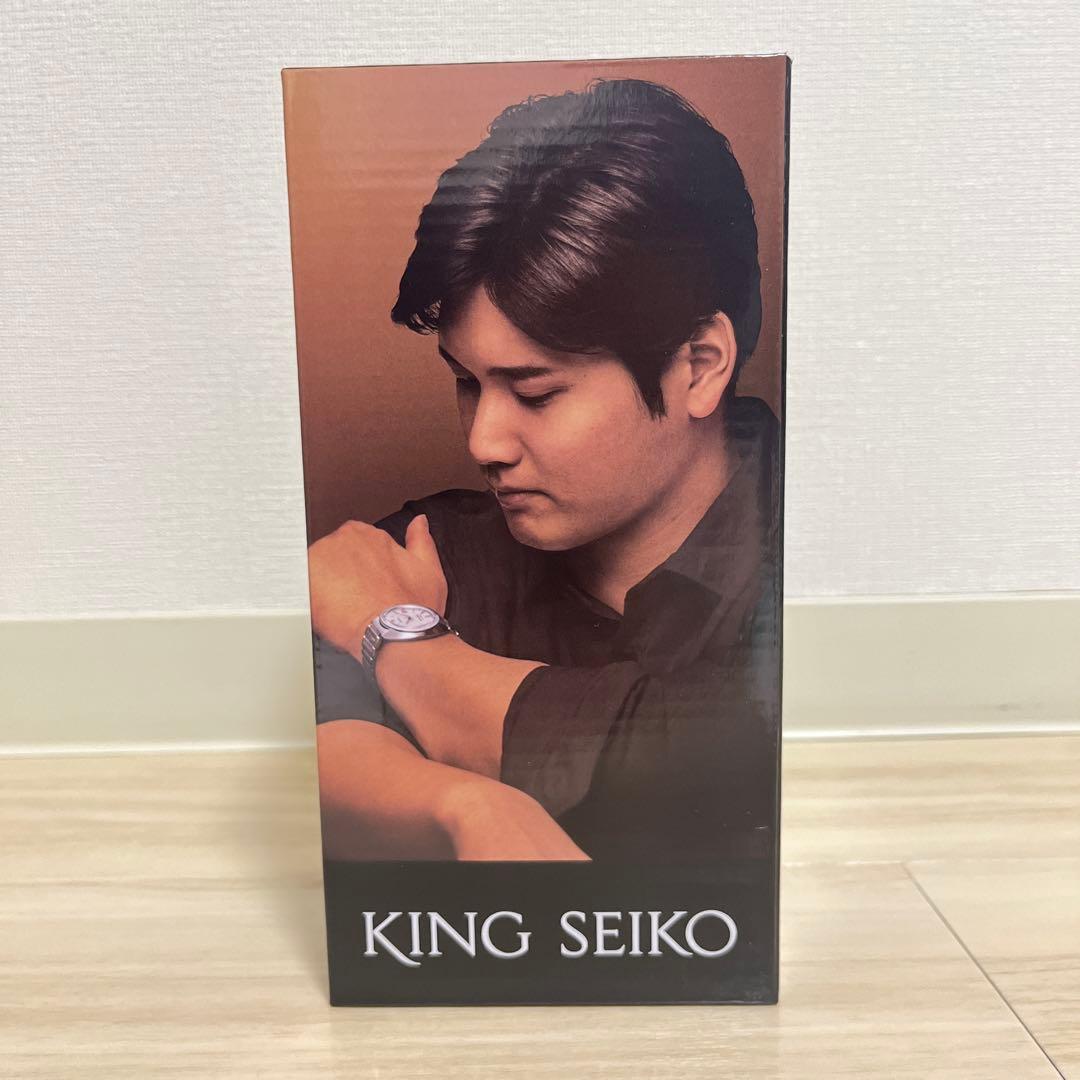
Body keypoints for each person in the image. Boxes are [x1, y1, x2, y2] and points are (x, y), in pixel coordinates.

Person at [306, 77, 781, 863]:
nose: (484, 442)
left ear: (699, 366)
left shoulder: (811, 567)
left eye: (535, 392)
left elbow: (714, 758)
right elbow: (315, 748)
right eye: (468, 383)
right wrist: (466, 806)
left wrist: (404, 645)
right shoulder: (427, 553)